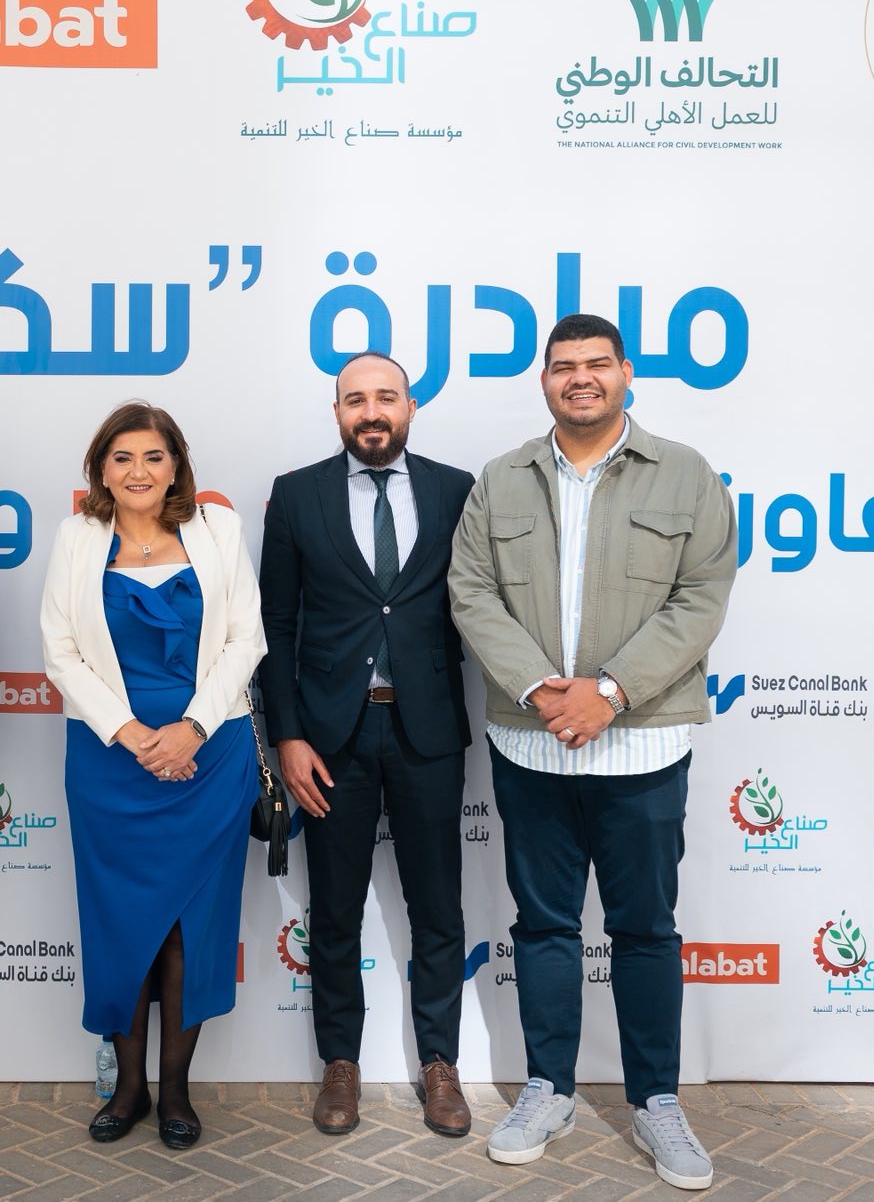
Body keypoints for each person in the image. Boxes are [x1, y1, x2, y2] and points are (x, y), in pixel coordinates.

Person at [447, 314, 737, 1192]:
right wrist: (544, 690)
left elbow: (701, 598)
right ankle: (550, 1090)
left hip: (643, 746)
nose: (581, 378)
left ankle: (657, 1102)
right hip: (530, 745)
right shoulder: (501, 480)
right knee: (542, 928)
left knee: (644, 930)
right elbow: (471, 591)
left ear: (625, 373)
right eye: (564, 366)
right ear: (544, 380)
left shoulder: (686, 474)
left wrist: (608, 692)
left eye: (597, 364)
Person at [256, 351, 478, 1138]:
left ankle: (440, 1064)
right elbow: (276, 624)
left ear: (410, 408)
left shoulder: (457, 490)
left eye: (386, 397)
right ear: (338, 412)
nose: (372, 411)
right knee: (336, 909)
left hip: (428, 730)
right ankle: (340, 1064)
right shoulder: (297, 494)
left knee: (438, 907)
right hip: (330, 739)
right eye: (356, 400)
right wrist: (286, 734)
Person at [40, 401, 265, 1151]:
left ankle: (175, 1091)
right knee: (120, 924)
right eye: (123, 457)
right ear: (100, 470)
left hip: (209, 754)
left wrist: (190, 729)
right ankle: (128, 1090)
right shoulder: (76, 537)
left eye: (154, 456)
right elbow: (60, 652)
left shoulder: (218, 529)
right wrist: (134, 734)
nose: (138, 471)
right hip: (111, 759)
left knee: (191, 928)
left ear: (176, 467)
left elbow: (245, 639)